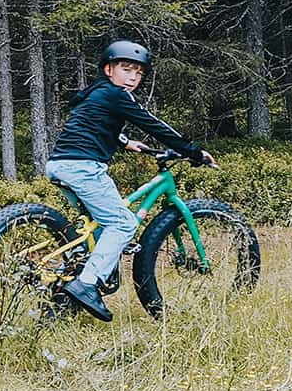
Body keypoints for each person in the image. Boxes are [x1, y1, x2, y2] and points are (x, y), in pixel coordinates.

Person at [43, 39, 215, 322]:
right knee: (123, 222)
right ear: (109, 69)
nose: (133, 77)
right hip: (84, 167)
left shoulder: (96, 93)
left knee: (96, 228)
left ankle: (66, 288)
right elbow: (154, 125)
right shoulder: (117, 96)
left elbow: (90, 120)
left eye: (138, 73)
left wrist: (123, 141)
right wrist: (193, 151)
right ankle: (87, 285)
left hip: (61, 164)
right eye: (126, 69)